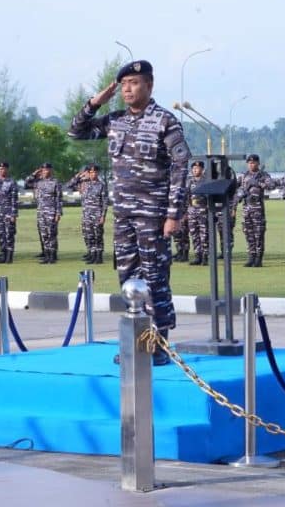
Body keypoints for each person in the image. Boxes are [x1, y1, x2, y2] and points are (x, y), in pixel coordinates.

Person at [68, 59, 191, 365]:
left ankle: (158, 345)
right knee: (128, 277)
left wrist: (174, 213)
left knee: (154, 276)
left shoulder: (165, 121)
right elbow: (76, 132)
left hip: (153, 214)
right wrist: (95, 103)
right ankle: (136, 343)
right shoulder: (115, 120)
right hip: (123, 213)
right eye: (123, 85)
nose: (127, 90)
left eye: (133, 83)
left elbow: (180, 168)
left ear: (149, 85)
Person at [236, 154, 274, 267]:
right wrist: (239, 196)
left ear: (258, 163)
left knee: (258, 234)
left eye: (253, 163)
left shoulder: (263, 175)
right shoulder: (244, 176)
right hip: (246, 208)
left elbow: (271, 186)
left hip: (257, 208)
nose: (251, 165)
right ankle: (251, 256)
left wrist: (258, 183)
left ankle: (258, 258)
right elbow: (236, 188)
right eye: (249, 163)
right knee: (248, 233)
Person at [65, 163, 108, 264]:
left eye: (95, 172)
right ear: (88, 173)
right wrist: (79, 175)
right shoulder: (83, 183)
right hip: (86, 215)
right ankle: (92, 255)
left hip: (97, 214)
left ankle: (99, 257)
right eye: (91, 172)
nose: (93, 174)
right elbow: (68, 185)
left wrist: (103, 216)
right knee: (89, 236)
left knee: (98, 236)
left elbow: (105, 202)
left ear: (98, 173)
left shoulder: (101, 185)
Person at [25, 163, 63, 264]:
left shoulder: (55, 182)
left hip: (51, 212)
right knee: (44, 235)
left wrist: (58, 213)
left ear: (50, 170)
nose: (45, 171)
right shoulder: (38, 182)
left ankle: (53, 256)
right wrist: (34, 174)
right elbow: (26, 183)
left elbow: (59, 199)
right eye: (43, 169)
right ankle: (47, 255)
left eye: (47, 169)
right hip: (41, 213)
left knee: (52, 235)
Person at [186, 160, 209, 266]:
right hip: (192, 211)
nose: (195, 170)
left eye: (197, 168)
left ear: (202, 169)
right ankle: (197, 256)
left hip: (203, 210)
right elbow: (186, 195)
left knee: (204, 234)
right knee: (194, 234)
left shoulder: (206, 181)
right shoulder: (189, 181)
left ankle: (205, 256)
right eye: (193, 169)